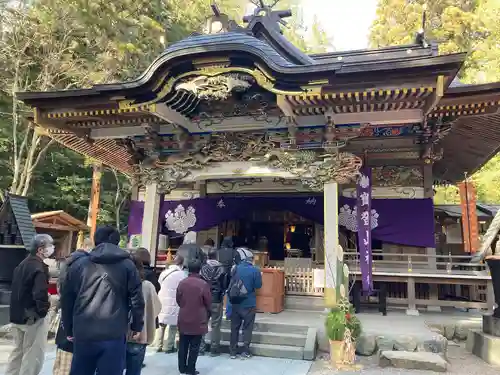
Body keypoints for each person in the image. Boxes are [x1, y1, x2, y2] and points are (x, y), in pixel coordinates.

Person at [60, 226, 144, 375]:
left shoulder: (79, 265)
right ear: (118, 242)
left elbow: (67, 299)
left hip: (83, 331)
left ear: (95, 241)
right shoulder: (128, 266)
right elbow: (137, 300)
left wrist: (68, 328)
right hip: (114, 332)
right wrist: (137, 326)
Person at [5, 234, 53, 375]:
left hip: (17, 315)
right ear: (40, 250)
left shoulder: (22, 264)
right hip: (33, 318)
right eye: (49, 246)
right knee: (33, 357)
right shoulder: (39, 267)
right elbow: (40, 293)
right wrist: (43, 311)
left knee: (17, 354)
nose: (52, 248)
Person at [53, 237, 93, 375]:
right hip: (76, 319)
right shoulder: (85, 264)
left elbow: (60, 287)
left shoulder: (68, 262)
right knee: (69, 363)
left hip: (64, 316)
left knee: (61, 362)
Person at [125, 254, 161, 375]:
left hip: (118, 334)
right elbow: (156, 307)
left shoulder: (119, 283)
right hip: (140, 334)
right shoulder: (147, 286)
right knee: (134, 371)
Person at [176, 260, 211, 375]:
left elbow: (178, 300)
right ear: (199, 270)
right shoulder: (203, 284)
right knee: (194, 346)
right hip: (198, 318)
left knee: (183, 344)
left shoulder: (182, 283)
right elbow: (208, 302)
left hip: (184, 316)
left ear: (188, 269)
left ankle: (182, 367)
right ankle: (191, 369)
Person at [229, 248, 262, 359]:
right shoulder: (255, 270)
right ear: (250, 259)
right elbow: (258, 286)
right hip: (249, 303)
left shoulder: (235, 269)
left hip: (236, 303)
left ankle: (233, 352)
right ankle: (245, 351)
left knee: (234, 328)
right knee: (247, 328)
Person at [199, 249, 228, 356]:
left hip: (204, 298)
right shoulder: (221, 268)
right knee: (216, 325)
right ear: (216, 256)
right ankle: (214, 349)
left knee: (202, 323)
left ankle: (200, 348)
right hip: (216, 299)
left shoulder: (203, 268)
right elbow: (224, 285)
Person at [156, 255, 186, 353]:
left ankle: (158, 345)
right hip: (175, 301)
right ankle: (168, 347)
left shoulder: (165, 272)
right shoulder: (183, 274)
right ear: (181, 264)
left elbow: (159, 282)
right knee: (173, 324)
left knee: (161, 323)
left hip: (163, 299)